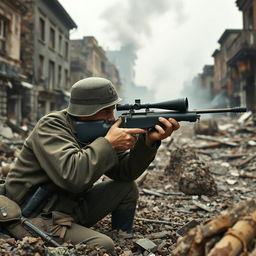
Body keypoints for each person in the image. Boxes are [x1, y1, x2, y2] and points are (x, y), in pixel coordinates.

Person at [3, 77, 180, 254]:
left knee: (126, 188)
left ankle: (124, 238)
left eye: (112, 111)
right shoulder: (51, 126)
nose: (112, 118)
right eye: (105, 112)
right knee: (103, 245)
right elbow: (73, 177)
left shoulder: (95, 130)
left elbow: (126, 172)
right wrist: (108, 144)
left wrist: (147, 143)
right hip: (29, 216)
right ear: (86, 111)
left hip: (69, 207)